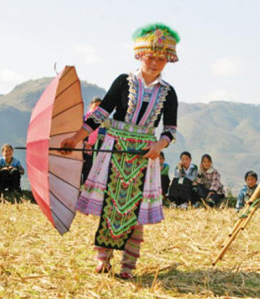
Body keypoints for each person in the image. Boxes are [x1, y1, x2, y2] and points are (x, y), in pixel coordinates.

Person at [60, 23, 180, 280]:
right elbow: (101, 114)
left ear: (168, 60)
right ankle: (102, 261)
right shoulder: (124, 82)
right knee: (110, 206)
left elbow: (170, 129)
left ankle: (128, 266)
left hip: (144, 155)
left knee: (134, 211)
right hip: (115, 148)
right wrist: (76, 139)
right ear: (140, 55)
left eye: (162, 58)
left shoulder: (168, 93)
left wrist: (158, 146)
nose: (156, 62)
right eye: (151, 56)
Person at [82, 97, 102, 184]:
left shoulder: (103, 120)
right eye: (96, 105)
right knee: (85, 165)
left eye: (99, 106)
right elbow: (81, 130)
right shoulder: (84, 118)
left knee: (95, 166)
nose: (97, 107)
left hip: (97, 145)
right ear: (91, 105)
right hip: (85, 145)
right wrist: (84, 141)